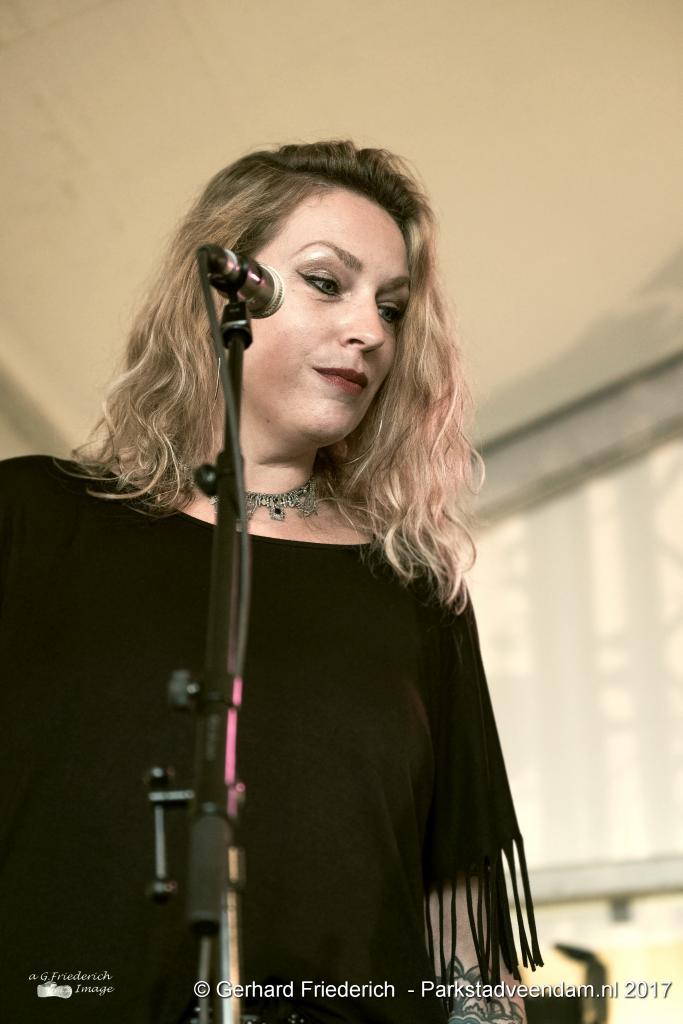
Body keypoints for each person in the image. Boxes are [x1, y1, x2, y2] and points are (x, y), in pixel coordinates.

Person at [0, 141, 542, 1024]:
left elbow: (460, 929)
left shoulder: (410, 586)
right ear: (218, 289)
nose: (370, 330)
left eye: (391, 306)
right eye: (327, 282)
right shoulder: (28, 519)